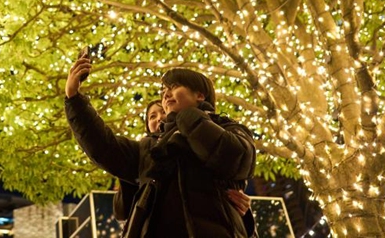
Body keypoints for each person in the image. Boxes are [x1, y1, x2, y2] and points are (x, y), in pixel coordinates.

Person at [66, 57, 256, 238]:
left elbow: (237, 159)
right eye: (163, 90)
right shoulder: (148, 148)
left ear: (199, 95)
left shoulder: (229, 128)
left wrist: (187, 116)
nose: (166, 94)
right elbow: (105, 146)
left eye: (173, 87)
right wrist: (74, 99)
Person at [113, 101, 253, 228]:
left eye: (163, 112)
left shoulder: (200, 145)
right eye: (152, 117)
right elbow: (122, 211)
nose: (159, 118)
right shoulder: (141, 156)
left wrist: (240, 208)